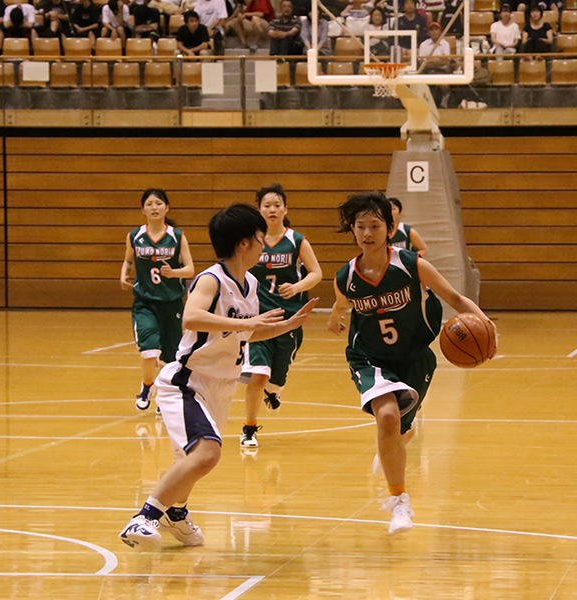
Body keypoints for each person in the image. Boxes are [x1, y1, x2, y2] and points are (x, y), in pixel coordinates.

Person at [119, 203, 317, 550]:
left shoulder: (250, 283)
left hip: (221, 386)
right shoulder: (212, 278)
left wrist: (283, 326)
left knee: (192, 459)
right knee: (208, 453)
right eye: (259, 239)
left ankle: (176, 513)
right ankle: (145, 516)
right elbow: (192, 318)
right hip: (188, 381)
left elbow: (243, 333)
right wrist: (246, 323)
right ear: (244, 243)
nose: (263, 246)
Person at [327, 191, 495, 534]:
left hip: (416, 357)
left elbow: (455, 298)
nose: (367, 233)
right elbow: (341, 304)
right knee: (387, 418)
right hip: (369, 358)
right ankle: (399, 502)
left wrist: (488, 327)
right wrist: (335, 319)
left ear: (390, 229)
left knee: (399, 430)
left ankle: (392, 448)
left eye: (375, 225)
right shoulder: (345, 275)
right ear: (353, 230)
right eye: (360, 226)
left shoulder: (411, 264)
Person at [239, 184, 322, 451]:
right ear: (259, 210)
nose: (272, 209)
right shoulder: (251, 240)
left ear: (285, 209)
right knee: (258, 375)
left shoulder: (297, 240)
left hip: (289, 318)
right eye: (267, 205)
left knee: (276, 381)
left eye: (277, 205)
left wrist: (298, 287)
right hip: (259, 318)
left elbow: (316, 273)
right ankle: (249, 429)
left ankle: (272, 393)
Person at [121, 189, 194, 411]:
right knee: (149, 350)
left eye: (158, 203)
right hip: (145, 302)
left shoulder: (177, 236)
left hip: (172, 302)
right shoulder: (134, 236)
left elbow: (190, 270)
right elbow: (128, 260)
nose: (154, 207)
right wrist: (124, 273)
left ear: (166, 208)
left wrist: (174, 273)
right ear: (143, 209)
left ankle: (163, 392)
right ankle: (146, 386)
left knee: (171, 356)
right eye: (149, 204)